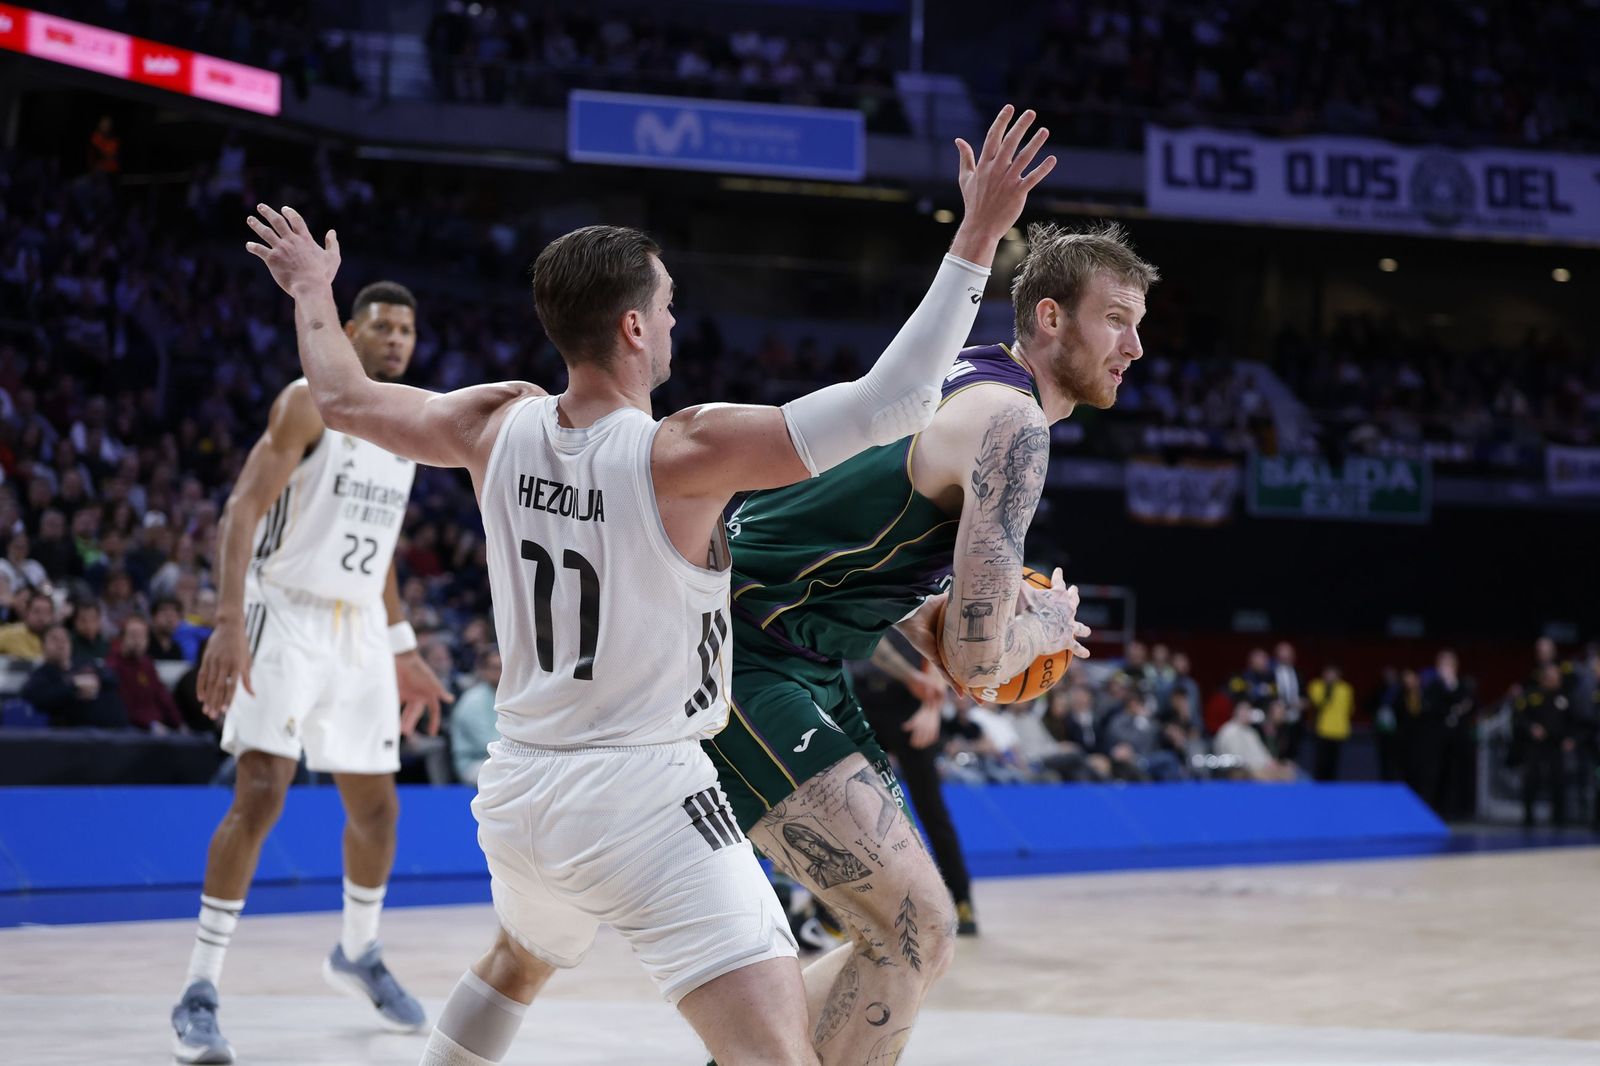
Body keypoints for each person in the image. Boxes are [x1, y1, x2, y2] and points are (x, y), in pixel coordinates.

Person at [239, 102, 1050, 1066]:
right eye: (665, 308)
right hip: (643, 795)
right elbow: (898, 401)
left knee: (518, 958)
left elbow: (340, 397)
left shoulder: (493, 424)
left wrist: (310, 290)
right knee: (779, 1054)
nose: (674, 322)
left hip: (520, 789)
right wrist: (977, 235)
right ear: (632, 326)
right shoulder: (681, 451)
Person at [708, 189, 1152, 1054]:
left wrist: (932, 612)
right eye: (1119, 320)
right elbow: (984, 663)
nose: (1136, 346)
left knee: (914, 933)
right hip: (743, 650)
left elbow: (861, 532)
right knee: (911, 924)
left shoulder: (969, 367)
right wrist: (1049, 627)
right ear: (1052, 317)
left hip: (797, 645)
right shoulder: (1013, 423)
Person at [168, 281, 451, 1064]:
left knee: (379, 809)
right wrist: (228, 621)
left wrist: (401, 645)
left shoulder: (407, 424)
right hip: (284, 611)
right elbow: (240, 510)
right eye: (383, 326)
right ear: (351, 332)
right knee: (262, 788)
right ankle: (199, 987)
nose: (397, 339)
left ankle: (356, 953)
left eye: (408, 328)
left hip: (357, 625)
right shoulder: (304, 402)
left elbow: (380, 543)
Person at [859, 633, 977, 934]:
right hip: (858, 698)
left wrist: (933, 706)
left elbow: (943, 640)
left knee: (931, 808)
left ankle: (961, 900)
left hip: (911, 700)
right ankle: (837, 911)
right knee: (849, 804)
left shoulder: (930, 587)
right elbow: (865, 636)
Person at [21, 622, 128, 729]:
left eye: (64, 639)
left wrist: (96, 681)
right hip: (76, 734)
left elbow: (113, 679)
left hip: (117, 730)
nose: (61, 643)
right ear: (43, 646)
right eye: (55, 639)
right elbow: (34, 695)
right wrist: (74, 686)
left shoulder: (86, 662)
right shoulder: (42, 674)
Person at [110, 615, 185, 733]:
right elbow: (124, 704)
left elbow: (162, 696)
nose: (138, 641)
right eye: (133, 636)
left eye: (142, 637)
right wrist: (150, 724)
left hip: (157, 726)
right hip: (129, 728)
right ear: (122, 638)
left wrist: (179, 724)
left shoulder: (147, 664)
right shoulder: (113, 665)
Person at [449, 645, 501, 785]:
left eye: (503, 667)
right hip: (475, 762)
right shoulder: (472, 701)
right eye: (495, 668)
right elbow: (487, 742)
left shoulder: (510, 696)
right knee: (514, 774)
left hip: (506, 758)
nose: (501, 672)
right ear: (483, 670)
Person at [1309, 664, 1354, 781]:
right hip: (1323, 730)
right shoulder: (1317, 685)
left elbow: (1350, 708)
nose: (1330, 676)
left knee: (1335, 764)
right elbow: (1317, 702)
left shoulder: (1346, 688)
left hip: (1340, 730)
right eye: (1328, 673)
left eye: (1333, 673)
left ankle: (1332, 788)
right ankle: (1319, 788)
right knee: (1321, 763)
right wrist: (1328, 690)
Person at [0, 590, 54, 661]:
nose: (41, 617)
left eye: (46, 612)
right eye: (36, 611)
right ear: (27, 613)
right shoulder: (10, 634)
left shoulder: (57, 639)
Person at [149, 597, 191, 661]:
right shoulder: (145, 645)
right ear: (153, 617)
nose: (169, 619)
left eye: (174, 614)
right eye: (164, 613)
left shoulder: (177, 649)